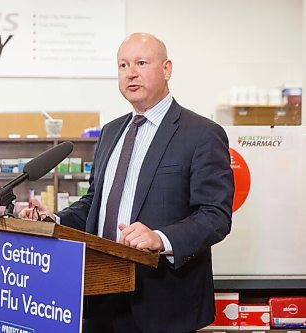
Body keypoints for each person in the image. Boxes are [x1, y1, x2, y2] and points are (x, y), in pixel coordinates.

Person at [20, 32, 234, 333]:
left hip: (163, 305)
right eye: (122, 65)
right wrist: (53, 219)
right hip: (100, 296)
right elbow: (94, 203)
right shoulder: (110, 133)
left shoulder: (201, 134)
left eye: (141, 63)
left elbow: (215, 216)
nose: (130, 73)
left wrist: (160, 238)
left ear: (167, 69)